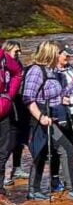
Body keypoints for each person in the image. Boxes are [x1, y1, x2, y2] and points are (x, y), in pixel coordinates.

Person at [22, 40, 73, 201]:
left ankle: (45, 189)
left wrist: (71, 89)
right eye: (57, 52)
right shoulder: (36, 70)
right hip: (40, 118)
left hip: (53, 117)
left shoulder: (51, 71)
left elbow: (58, 93)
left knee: (59, 150)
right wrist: (40, 117)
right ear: (50, 53)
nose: (61, 55)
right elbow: (28, 98)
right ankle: (43, 190)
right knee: (46, 151)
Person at [49, 42, 73, 193]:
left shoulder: (71, 68)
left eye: (69, 55)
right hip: (64, 112)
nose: (68, 58)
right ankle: (55, 178)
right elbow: (63, 93)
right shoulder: (53, 72)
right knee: (63, 148)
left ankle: (69, 178)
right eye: (66, 55)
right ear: (56, 55)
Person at [1, 41, 29, 185]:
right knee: (8, 142)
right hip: (7, 106)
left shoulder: (20, 65)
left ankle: (17, 167)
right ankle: (4, 173)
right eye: (15, 51)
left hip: (20, 105)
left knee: (19, 139)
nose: (17, 53)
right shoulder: (4, 66)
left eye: (19, 51)